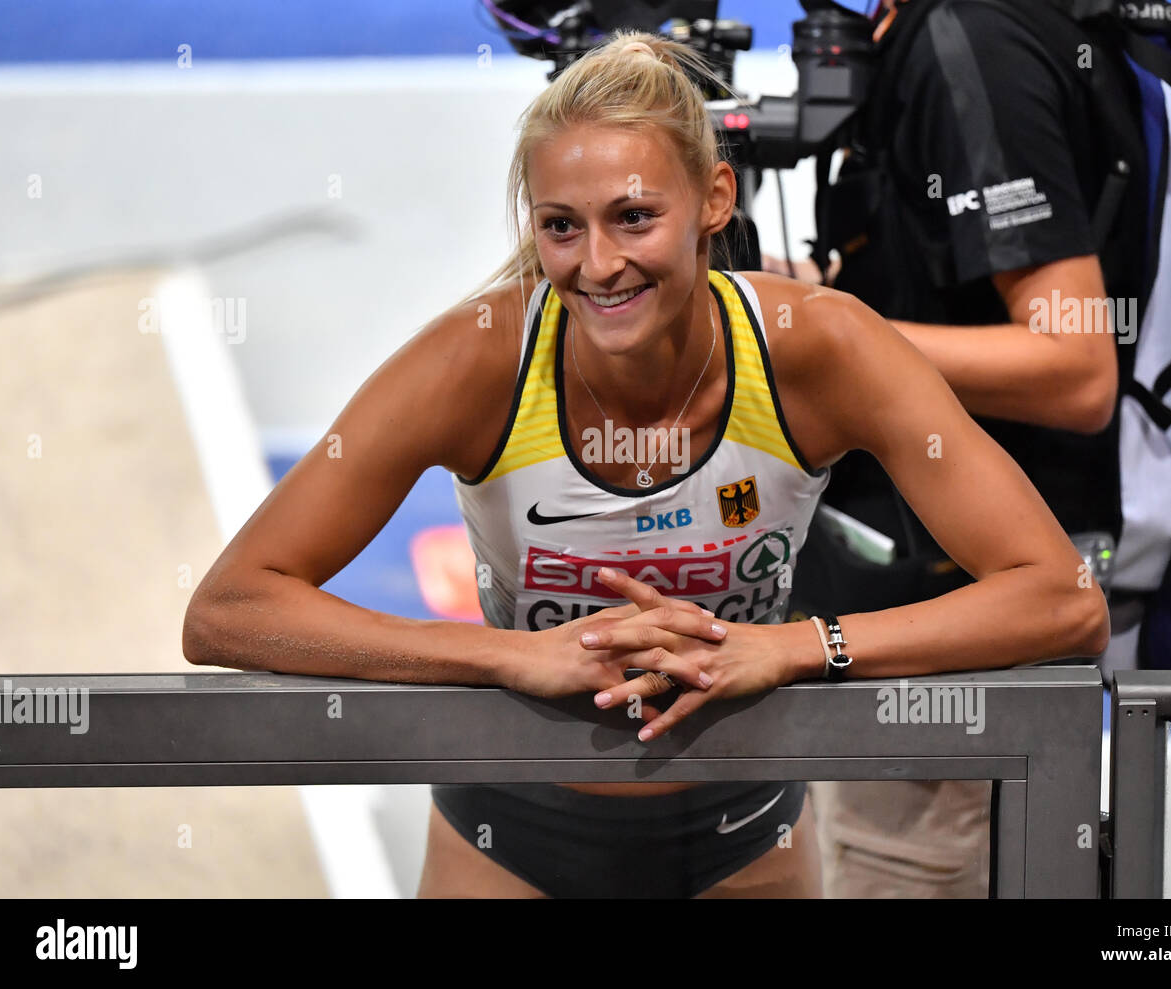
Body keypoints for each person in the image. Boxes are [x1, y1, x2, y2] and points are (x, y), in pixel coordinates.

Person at [182, 29, 1109, 899]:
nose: (598, 265)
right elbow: (230, 608)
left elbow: (1063, 598)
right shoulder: (475, 363)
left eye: (633, 217)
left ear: (715, 200)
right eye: (561, 227)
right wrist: (507, 658)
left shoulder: (820, 348)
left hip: (747, 842)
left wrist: (792, 646)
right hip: (503, 843)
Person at [770, 0, 1151, 897]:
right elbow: (954, 272)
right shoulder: (952, 31)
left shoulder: (971, 39)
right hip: (935, 618)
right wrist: (824, 295)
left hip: (963, 642)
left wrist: (829, 337)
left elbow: (1074, 366)